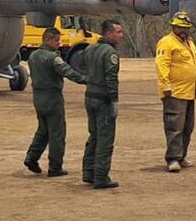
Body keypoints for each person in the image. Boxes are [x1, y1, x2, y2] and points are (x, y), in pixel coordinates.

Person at [23, 27, 87, 177]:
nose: (59, 43)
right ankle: (55, 166)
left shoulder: (33, 57)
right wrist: (86, 80)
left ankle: (31, 157)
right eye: (56, 40)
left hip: (38, 97)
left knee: (43, 130)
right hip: (52, 97)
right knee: (57, 132)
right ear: (48, 40)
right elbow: (68, 72)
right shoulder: (53, 58)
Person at [155, 11, 196, 173]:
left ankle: (181, 155)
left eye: (187, 28)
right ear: (173, 26)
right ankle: (173, 159)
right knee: (174, 127)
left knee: (188, 127)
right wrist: (165, 86)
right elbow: (162, 66)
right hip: (174, 93)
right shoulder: (166, 42)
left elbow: (195, 66)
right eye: (181, 27)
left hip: (189, 92)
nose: (184, 30)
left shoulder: (189, 42)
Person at [83, 19, 124, 189]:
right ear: (109, 33)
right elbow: (111, 78)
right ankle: (100, 177)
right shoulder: (110, 53)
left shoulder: (90, 49)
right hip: (103, 100)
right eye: (118, 32)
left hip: (90, 96)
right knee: (105, 139)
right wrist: (114, 100)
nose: (121, 35)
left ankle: (88, 171)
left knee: (94, 135)